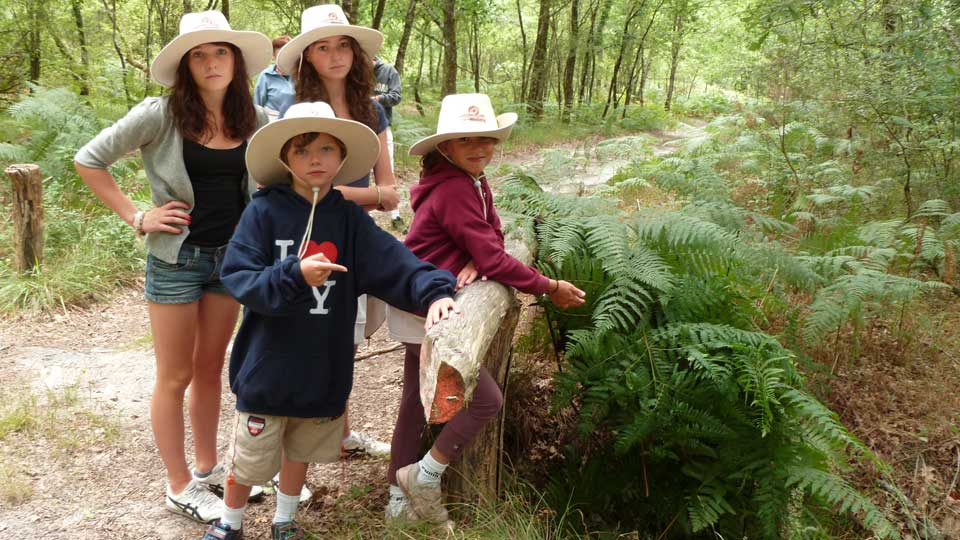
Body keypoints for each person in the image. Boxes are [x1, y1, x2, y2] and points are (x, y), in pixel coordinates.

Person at [200, 101, 459, 540]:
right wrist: (292, 272)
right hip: (268, 366)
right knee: (250, 454)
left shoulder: (349, 220)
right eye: (301, 151)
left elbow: (395, 264)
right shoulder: (262, 213)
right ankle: (231, 522)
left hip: (322, 366)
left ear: (342, 158)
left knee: (299, 448)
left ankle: (284, 521)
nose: (314, 159)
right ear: (285, 159)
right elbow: (239, 277)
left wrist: (435, 292)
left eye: (325, 149)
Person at [73, 11, 273, 523]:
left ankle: (206, 469)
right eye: (199, 54)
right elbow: (89, 159)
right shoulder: (159, 114)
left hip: (233, 259)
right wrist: (137, 216)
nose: (211, 62)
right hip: (176, 259)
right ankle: (179, 484)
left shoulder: (256, 119)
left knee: (211, 367)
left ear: (236, 61)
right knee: (175, 373)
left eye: (220, 52)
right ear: (186, 65)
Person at [385, 94, 587, 525]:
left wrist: (475, 256)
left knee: (411, 400)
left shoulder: (472, 180)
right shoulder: (456, 188)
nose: (479, 147)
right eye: (466, 140)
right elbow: (496, 256)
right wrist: (550, 287)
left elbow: (491, 235)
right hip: (424, 303)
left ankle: (397, 498)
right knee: (483, 400)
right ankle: (423, 475)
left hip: (429, 298)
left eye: (487, 139)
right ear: (445, 147)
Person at [275, 3, 398, 459]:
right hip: (300, 239)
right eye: (322, 47)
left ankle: (340, 433)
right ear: (307, 56)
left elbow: (389, 194)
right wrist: (333, 193)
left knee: (343, 334)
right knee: (298, 334)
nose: (335, 56)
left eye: (342, 45)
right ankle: (284, 440)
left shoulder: (372, 113)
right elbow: (282, 186)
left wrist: (334, 194)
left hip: (352, 238)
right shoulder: (294, 113)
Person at [372, 56, 403, 224]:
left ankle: (395, 214)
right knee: (361, 170)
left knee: (388, 168)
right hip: (359, 127)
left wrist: (377, 100)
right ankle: (363, 213)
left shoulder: (389, 71)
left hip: (383, 126)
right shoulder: (355, 71)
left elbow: (396, 96)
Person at [253, 35, 295, 120]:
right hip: (271, 123)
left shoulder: (301, 74)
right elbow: (257, 105)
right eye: (280, 55)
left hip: (297, 122)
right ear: (274, 56)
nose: (284, 59)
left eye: (287, 55)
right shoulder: (266, 75)